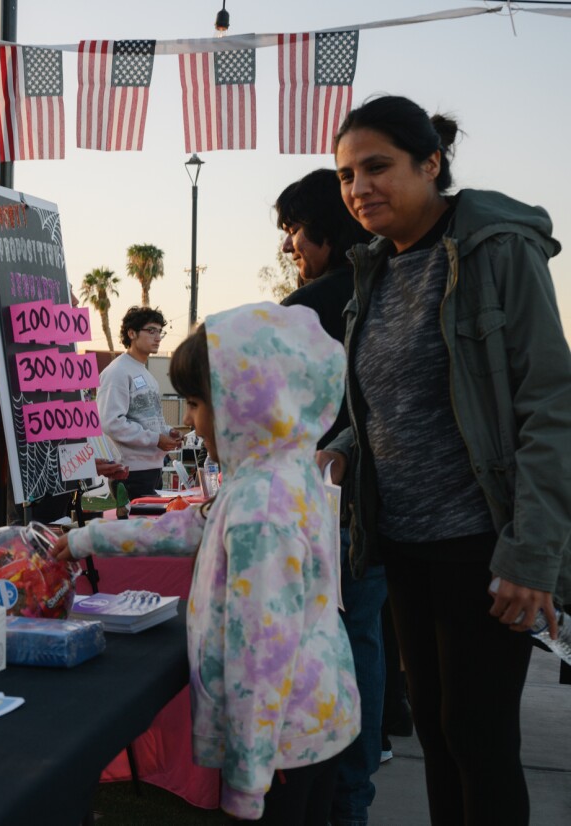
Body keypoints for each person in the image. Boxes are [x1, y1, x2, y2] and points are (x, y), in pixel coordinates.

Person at [325, 95, 571, 826]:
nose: (359, 188)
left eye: (377, 167)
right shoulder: (374, 270)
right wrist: (337, 452)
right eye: (344, 176)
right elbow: (388, 406)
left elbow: (550, 404)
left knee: (479, 736)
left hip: (482, 544)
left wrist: (531, 556)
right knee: (434, 730)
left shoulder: (496, 248)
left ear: (430, 163)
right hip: (404, 542)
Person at [57, 303, 361, 823]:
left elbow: (260, 650)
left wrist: (245, 784)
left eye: (196, 404)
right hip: (311, 716)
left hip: (277, 742)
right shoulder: (279, 469)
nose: (192, 421)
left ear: (244, 405)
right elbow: (188, 526)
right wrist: (88, 538)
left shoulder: (260, 506)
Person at [276, 168, 384, 826]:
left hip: (319, 507)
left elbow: (277, 416)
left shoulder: (308, 307)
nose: (291, 244)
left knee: (324, 649)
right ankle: (358, 785)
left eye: (295, 228)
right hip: (379, 505)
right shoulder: (382, 289)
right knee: (364, 643)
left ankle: (335, 790)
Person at [95, 306, 181, 501]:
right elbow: (110, 423)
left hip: (152, 469)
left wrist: (168, 432)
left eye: (160, 331)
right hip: (130, 473)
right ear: (131, 333)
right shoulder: (117, 372)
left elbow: (147, 420)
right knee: (135, 530)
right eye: (151, 331)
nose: (157, 337)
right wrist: (156, 439)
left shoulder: (146, 374)